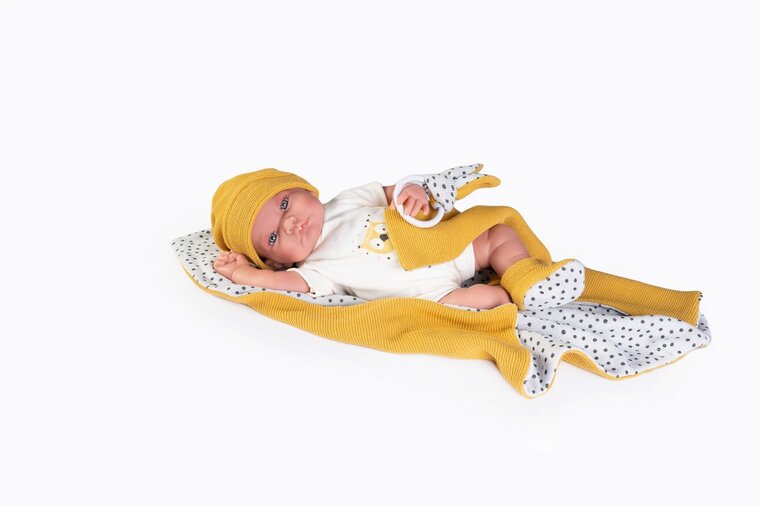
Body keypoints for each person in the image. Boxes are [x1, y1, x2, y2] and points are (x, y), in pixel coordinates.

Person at [210, 169, 585, 310]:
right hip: (431, 294)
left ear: (305, 188)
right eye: (273, 236)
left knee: (498, 234)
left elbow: (395, 191)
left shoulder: (346, 201)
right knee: (486, 301)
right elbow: (282, 285)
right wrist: (245, 275)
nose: (290, 223)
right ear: (277, 261)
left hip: (445, 246)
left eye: (284, 205)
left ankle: (527, 279)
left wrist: (414, 192)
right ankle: (513, 297)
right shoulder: (315, 270)